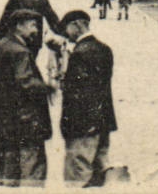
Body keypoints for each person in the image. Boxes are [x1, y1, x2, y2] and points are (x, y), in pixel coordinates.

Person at [0, 9, 53, 187]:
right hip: (25, 117)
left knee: (9, 170)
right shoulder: (20, 52)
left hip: (4, 116)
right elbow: (25, 82)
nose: (36, 30)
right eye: (32, 25)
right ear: (19, 26)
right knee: (32, 168)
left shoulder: (2, 45)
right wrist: (48, 88)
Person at [59, 10, 116, 187]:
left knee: (78, 174)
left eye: (67, 28)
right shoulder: (104, 48)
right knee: (100, 171)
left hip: (82, 123)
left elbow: (77, 92)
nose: (67, 34)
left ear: (77, 24)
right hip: (103, 120)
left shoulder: (79, 53)